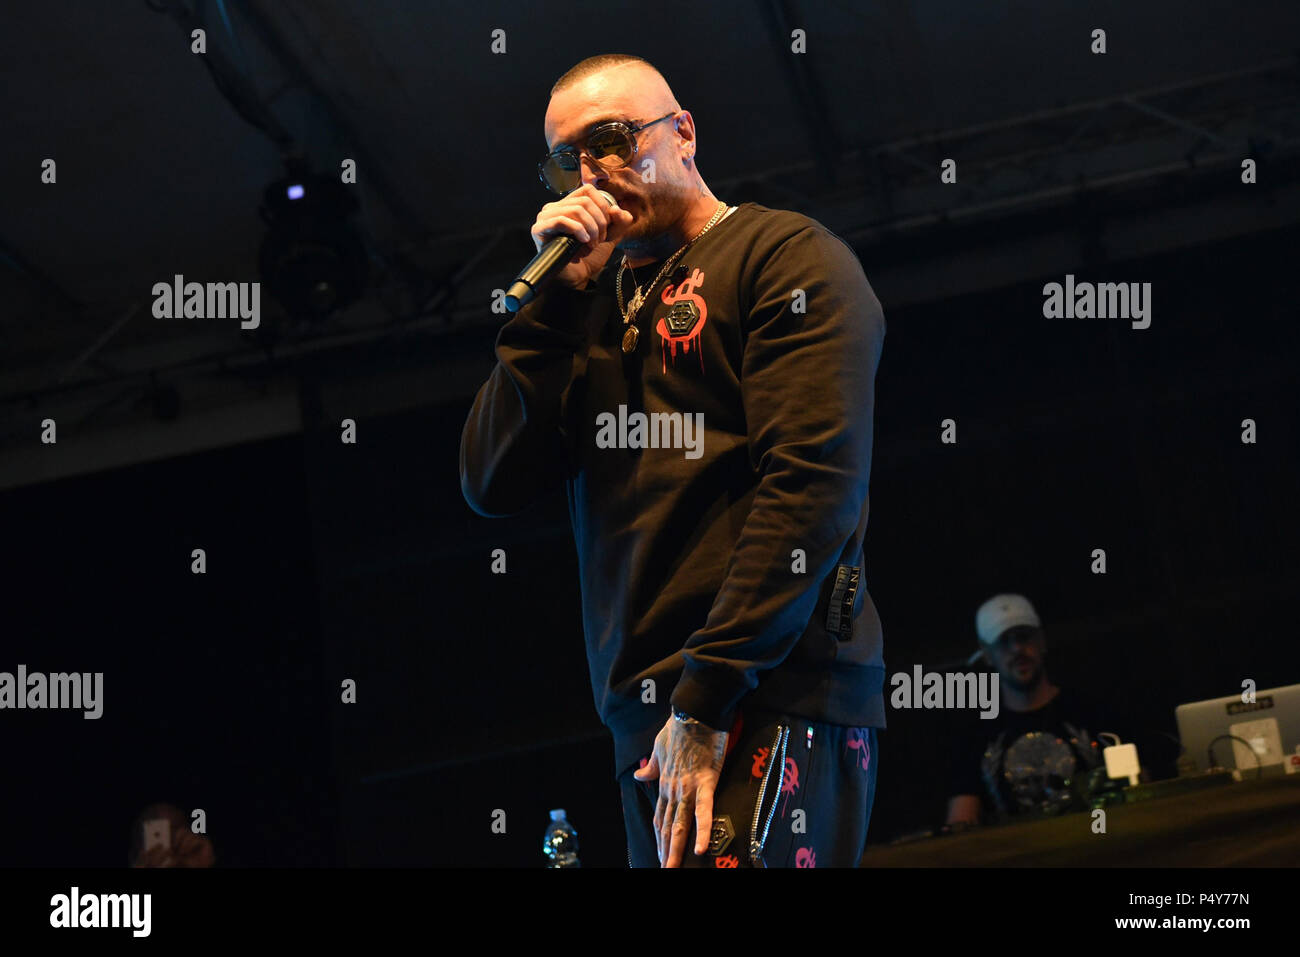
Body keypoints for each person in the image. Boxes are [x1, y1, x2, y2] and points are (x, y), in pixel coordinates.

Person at [460, 54, 888, 867]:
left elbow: (813, 487)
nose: (589, 174)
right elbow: (490, 483)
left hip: (768, 691)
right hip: (646, 718)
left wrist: (706, 698)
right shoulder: (581, 311)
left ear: (683, 132)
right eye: (565, 161)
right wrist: (550, 313)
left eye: (612, 140)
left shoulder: (784, 258)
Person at [945, 594, 1109, 827]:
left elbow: (1139, 785)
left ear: (1041, 641)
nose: (1017, 649)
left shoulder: (1090, 711)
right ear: (987, 654)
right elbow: (959, 822)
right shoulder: (976, 735)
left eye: (1024, 637)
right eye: (1004, 641)